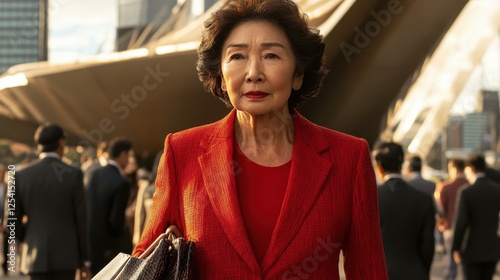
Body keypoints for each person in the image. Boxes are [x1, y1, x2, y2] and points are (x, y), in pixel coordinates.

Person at [133, 0, 388, 278]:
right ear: (220, 74)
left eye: (271, 56)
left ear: (298, 74)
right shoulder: (181, 152)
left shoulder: (349, 157)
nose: (254, 74)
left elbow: (369, 270)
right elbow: (145, 265)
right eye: (237, 57)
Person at [10, 123, 90, 280]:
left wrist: (28, 235)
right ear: (61, 143)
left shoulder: (19, 176)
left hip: (33, 256)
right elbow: (81, 220)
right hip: (66, 258)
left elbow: (12, 221)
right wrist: (84, 261)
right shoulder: (73, 174)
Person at [374, 142, 435, 280]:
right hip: (415, 273)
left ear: (379, 168)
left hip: (379, 273)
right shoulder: (424, 199)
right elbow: (428, 245)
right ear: (402, 165)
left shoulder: (369, 198)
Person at [86, 137, 133, 276]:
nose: (129, 160)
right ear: (123, 154)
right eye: (129, 156)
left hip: (92, 244)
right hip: (112, 248)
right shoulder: (121, 182)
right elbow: (116, 222)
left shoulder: (93, 174)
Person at [452, 155, 500, 280]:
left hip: (470, 250)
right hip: (492, 249)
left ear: (471, 168)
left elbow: (461, 222)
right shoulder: (497, 190)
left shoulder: (466, 192)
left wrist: (455, 247)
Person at [439, 158, 468, 280]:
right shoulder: (470, 185)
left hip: (449, 226)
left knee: (450, 264)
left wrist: (440, 224)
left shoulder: (445, 186)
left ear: (453, 168)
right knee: (465, 264)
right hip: (468, 230)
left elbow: (441, 210)